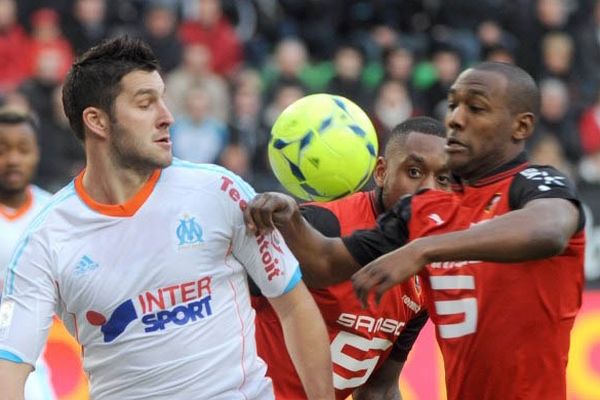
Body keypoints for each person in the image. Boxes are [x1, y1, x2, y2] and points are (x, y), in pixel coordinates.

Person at [0, 36, 334, 400]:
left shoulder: (221, 192)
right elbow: (9, 367)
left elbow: (294, 304)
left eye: (163, 99)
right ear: (96, 120)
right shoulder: (45, 239)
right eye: (146, 104)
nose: (167, 117)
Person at [244, 62, 585, 400]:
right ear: (382, 172)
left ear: (521, 126)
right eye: (453, 105)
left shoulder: (535, 184)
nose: (456, 119)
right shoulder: (418, 215)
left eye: (476, 108)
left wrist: (422, 250)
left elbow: (551, 229)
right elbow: (325, 262)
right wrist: (292, 219)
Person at [252, 116, 451, 400]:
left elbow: (378, 390)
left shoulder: (424, 272)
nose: (429, 190)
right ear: (381, 172)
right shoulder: (322, 226)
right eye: (415, 172)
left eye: (443, 179)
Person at [0, 109, 56, 400]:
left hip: (37, 361)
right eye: (2, 150)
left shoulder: (54, 214)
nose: (12, 159)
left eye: (23, 149)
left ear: (37, 153)